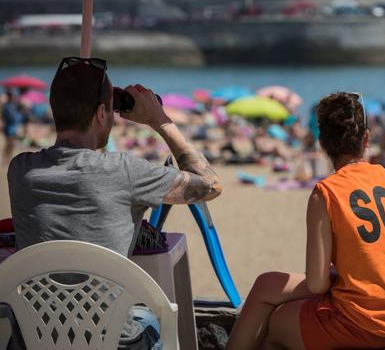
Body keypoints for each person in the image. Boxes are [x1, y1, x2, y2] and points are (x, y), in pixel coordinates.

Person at [7, 57, 223, 349]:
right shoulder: (124, 172)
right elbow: (211, 184)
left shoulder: (20, 171)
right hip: (112, 342)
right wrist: (159, 119)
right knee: (149, 317)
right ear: (100, 113)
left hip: (33, 340)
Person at [225, 92, 385, 350]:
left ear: (323, 144)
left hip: (362, 324)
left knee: (276, 324)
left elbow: (317, 283)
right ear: (366, 139)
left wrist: (347, 273)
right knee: (267, 283)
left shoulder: (327, 193)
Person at [1, 91, 23, 166]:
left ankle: (8, 159)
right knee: (9, 144)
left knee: (11, 144)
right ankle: (6, 159)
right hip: (9, 127)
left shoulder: (12, 105)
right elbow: (12, 117)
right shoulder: (7, 106)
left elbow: (14, 117)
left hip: (12, 126)